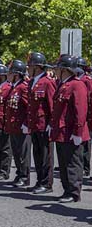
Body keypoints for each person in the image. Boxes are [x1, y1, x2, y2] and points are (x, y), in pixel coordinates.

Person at [50, 55, 89, 203]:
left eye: (58, 68)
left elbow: (80, 111)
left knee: (73, 163)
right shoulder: (63, 84)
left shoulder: (77, 85)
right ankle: (67, 189)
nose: (56, 70)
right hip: (62, 131)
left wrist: (78, 132)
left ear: (65, 70)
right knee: (64, 163)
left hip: (72, 132)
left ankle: (74, 192)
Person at [26, 52, 56, 194]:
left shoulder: (47, 82)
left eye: (30, 66)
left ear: (37, 67)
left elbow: (52, 105)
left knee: (45, 156)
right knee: (37, 155)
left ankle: (46, 183)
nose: (28, 69)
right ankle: (39, 181)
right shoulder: (32, 82)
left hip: (44, 124)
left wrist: (51, 123)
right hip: (35, 124)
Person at [5, 60, 31, 187]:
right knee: (16, 152)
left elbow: (28, 107)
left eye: (10, 72)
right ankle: (20, 174)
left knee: (22, 153)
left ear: (16, 74)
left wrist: (26, 123)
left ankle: (25, 176)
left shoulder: (23, 87)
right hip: (13, 125)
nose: (8, 75)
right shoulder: (14, 87)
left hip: (21, 126)